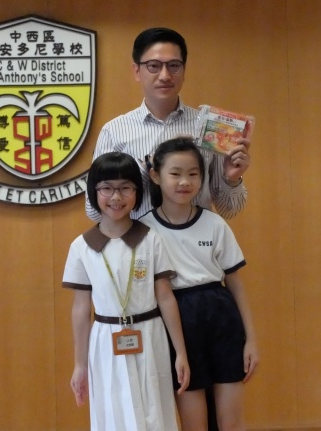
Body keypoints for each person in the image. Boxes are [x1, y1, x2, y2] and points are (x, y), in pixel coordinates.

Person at [63, 151, 190, 431]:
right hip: (105, 340)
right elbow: (81, 309)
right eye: (107, 188)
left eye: (125, 188)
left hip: (150, 334)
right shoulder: (81, 247)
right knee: (113, 413)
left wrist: (180, 352)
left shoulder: (151, 239)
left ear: (137, 191)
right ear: (94, 191)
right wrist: (79, 365)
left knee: (155, 412)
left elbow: (165, 296)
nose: (116, 197)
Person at [139, 137, 259, 431]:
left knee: (230, 422)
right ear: (155, 176)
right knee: (194, 424)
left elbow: (235, 284)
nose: (185, 182)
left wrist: (251, 340)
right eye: (175, 173)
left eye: (193, 174)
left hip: (221, 316)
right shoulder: (145, 230)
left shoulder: (215, 223)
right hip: (177, 321)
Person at [86, 27, 251, 222]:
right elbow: (94, 212)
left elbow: (229, 210)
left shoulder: (208, 128)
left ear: (184, 70)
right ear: (137, 71)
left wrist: (231, 178)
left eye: (174, 65)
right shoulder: (114, 131)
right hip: (138, 240)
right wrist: (147, 168)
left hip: (196, 239)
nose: (165, 75)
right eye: (153, 66)